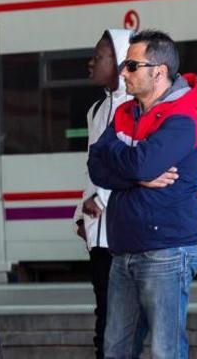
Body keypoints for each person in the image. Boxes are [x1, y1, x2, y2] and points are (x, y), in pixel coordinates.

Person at [87, 30, 197, 359]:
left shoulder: (184, 117)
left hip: (165, 251)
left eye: (132, 65)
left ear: (159, 71)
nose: (123, 72)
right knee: (115, 350)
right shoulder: (126, 113)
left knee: (166, 351)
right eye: (124, 65)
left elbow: (139, 164)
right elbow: (97, 166)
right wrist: (138, 177)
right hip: (122, 250)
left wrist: (129, 167)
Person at [73, 29, 133, 359]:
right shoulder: (96, 110)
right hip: (98, 235)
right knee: (104, 321)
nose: (91, 62)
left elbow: (134, 163)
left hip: (123, 234)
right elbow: (90, 169)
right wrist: (80, 216)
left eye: (99, 56)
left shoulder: (137, 106)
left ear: (121, 60)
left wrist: (102, 200)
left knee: (120, 325)